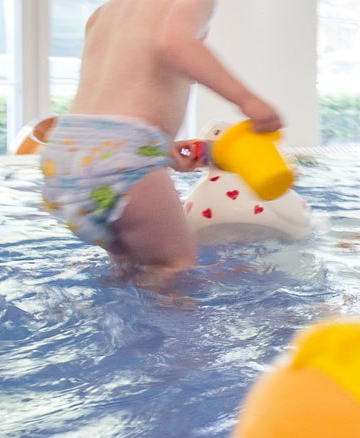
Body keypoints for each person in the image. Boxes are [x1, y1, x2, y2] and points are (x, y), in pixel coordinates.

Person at [41, 0, 282, 281]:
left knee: (131, 266)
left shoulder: (102, 14)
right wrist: (248, 101)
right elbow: (173, 43)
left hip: (65, 152)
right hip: (120, 155)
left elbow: (115, 88)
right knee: (174, 265)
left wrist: (156, 147)